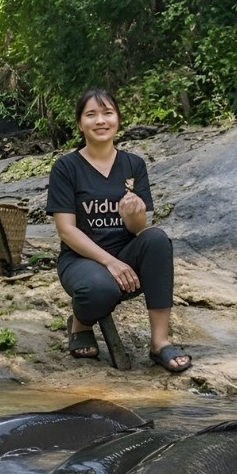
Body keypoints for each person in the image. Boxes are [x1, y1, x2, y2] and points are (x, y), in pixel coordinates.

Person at [46, 88, 191, 373]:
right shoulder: (66, 168)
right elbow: (66, 230)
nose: (100, 121)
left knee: (157, 240)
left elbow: (139, 230)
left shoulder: (133, 165)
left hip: (126, 252)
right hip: (81, 259)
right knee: (99, 288)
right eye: (91, 115)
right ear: (80, 124)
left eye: (107, 113)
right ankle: (81, 323)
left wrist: (134, 216)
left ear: (118, 120)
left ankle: (159, 342)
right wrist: (109, 262)